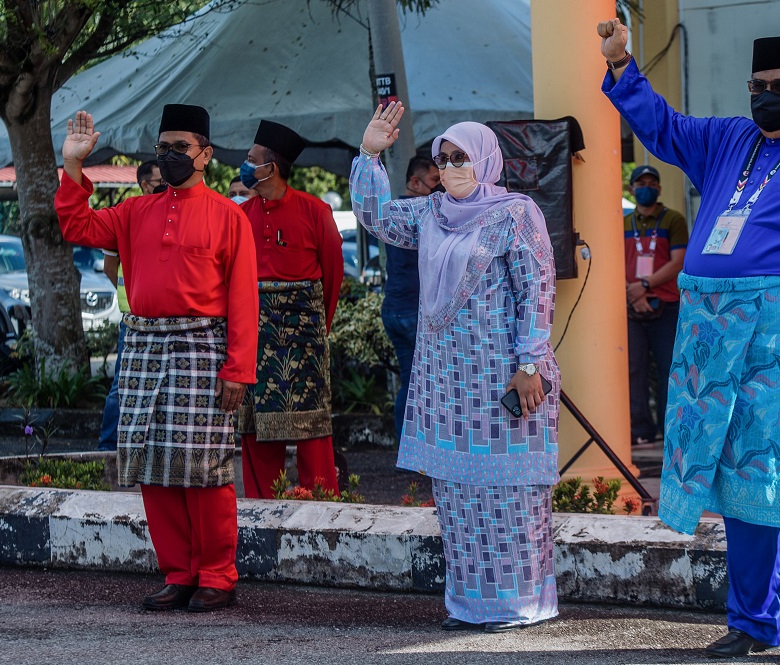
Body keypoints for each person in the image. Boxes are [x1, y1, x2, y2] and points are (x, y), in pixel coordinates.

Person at [598, 21, 780, 665]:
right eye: (756, 85)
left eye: (779, 86)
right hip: (715, 337)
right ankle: (754, 622)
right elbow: (664, 126)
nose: (765, 95)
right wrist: (623, 64)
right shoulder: (727, 139)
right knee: (741, 479)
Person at [351, 104, 561, 633]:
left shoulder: (516, 213)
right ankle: (469, 606)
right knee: (460, 499)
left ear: (487, 160)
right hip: (448, 382)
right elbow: (375, 216)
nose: (448, 167)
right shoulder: (431, 214)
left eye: (460, 157)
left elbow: (536, 288)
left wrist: (530, 362)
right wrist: (370, 153)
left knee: (511, 496)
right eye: (442, 159)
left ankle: (519, 605)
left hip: (506, 375)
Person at [56, 105, 259, 613]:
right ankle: (179, 572)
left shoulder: (229, 215)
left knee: (204, 467)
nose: (169, 157)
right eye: (162, 148)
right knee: (153, 462)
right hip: (144, 346)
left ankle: (217, 574)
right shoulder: (134, 211)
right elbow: (77, 226)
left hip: (201, 348)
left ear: (206, 155)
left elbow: (242, 299)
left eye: (180, 148)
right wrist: (74, 166)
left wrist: (238, 369)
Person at [236, 120, 344, 499]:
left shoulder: (316, 211)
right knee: (256, 431)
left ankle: (324, 509)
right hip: (255, 338)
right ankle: (262, 512)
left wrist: (314, 329)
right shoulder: (240, 215)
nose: (244, 166)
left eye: (251, 159)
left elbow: (332, 276)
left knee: (312, 431)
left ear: (272, 166)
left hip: (304, 338)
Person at [96, 160, 165, 452]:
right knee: (123, 384)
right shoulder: (128, 214)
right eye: (159, 179)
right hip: (133, 318)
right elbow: (110, 267)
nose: (165, 184)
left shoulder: (169, 212)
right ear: (144, 184)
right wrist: (134, 294)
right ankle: (108, 446)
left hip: (165, 318)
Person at [623, 164, 687, 447]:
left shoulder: (673, 219)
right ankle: (640, 431)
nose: (646, 187)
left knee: (668, 369)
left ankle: (667, 429)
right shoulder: (623, 223)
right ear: (631, 189)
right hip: (631, 306)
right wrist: (635, 295)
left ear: (659, 188)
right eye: (641, 183)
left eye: (651, 182)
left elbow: (679, 261)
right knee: (632, 370)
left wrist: (645, 286)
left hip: (667, 305)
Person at [382, 155, 442, 441]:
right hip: (412, 309)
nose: (440, 189)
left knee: (411, 381)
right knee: (427, 383)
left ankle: (406, 445)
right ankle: (420, 444)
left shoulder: (394, 210)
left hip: (394, 307)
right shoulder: (420, 213)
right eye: (434, 182)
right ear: (415, 182)